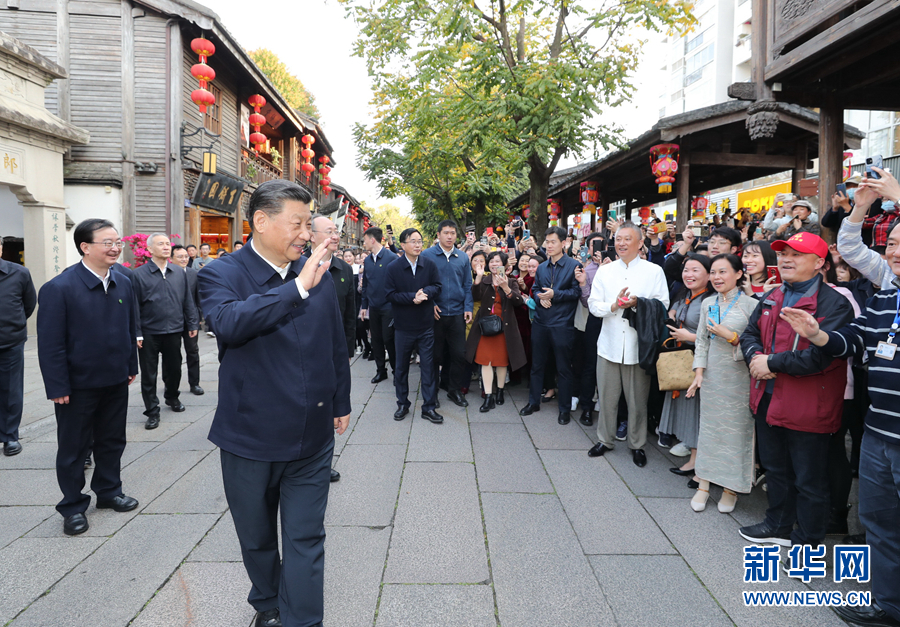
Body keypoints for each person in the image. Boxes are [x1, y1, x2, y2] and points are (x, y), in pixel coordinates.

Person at [197, 179, 350, 627]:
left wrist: (340, 399)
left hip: (312, 435)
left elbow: (334, 343)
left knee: (305, 536)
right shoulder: (221, 273)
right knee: (257, 536)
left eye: (309, 224)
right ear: (261, 221)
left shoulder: (316, 273)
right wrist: (297, 288)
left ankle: (303, 619)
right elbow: (228, 323)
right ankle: (267, 603)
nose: (307, 234)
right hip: (250, 436)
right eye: (298, 223)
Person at [778, 218, 900, 627]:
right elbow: (853, 339)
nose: (894, 253)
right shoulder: (885, 298)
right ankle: (888, 604)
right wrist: (817, 334)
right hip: (878, 431)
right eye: (891, 244)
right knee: (879, 523)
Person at [737, 232, 855, 548]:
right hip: (768, 399)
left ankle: (809, 540)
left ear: (819, 263)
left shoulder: (835, 303)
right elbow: (749, 333)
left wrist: (771, 363)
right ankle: (778, 525)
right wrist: (755, 358)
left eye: (797, 254)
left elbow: (823, 356)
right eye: (784, 253)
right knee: (776, 470)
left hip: (808, 404)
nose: (786, 259)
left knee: (809, 480)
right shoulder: (773, 296)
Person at [37, 219, 140, 535]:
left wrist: (130, 366)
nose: (114, 247)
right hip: (77, 385)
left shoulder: (123, 281)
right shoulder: (60, 288)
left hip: (114, 379)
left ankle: (109, 492)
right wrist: (57, 385)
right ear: (85, 246)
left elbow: (128, 327)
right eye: (106, 242)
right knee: (74, 448)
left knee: (112, 440)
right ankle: (72, 506)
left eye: (117, 241)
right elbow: (50, 342)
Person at [587, 222, 669, 467]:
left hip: (638, 347)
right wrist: (614, 306)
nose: (621, 243)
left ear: (640, 242)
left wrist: (637, 304)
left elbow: (662, 304)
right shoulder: (605, 271)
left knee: (637, 401)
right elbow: (593, 305)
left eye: (627, 239)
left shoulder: (653, 271)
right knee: (608, 398)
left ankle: (637, 444)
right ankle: (605, 439)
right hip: (609, 345)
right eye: (618, 239)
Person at [686, 254, 758, 513]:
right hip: (713, 376)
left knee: (737, 433)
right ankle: (703, 484)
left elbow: (757, 344)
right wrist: (699, 372)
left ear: (739, 274)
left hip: (739, 377)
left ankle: (731, 487)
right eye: (713, 272)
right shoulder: (708, 302)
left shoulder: (751, 305)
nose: (717, 277)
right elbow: (702, 340)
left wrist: (733, 338)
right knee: (709, 430)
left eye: (723, 272)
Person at [131, 233, 199, 430]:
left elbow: (188, 300)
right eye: (160, 244)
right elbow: (134, 307)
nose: (166, 247)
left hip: (174, 329)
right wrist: (137, 332)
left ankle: (172, 397)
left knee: (174, 369)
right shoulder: (139, 274)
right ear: (149, 249)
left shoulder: (178, 272)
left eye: (167, 243)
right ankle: (152, 411)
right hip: (149, 332)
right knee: (149, 374)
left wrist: (192, 324)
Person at [518, 226, 584, 424]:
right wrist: (540, 298)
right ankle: (533, 402)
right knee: (537, 365)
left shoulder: (574, 265)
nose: (548, 245)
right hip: (540, 322)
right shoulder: (543, 266)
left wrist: (555, 295)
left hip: (562, 324)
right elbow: (536, 289)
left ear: (564, 243)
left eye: (553, 241)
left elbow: (576, 293)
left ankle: (564, 409)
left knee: (564, 368)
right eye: (547, 242)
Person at [384, 228, 443, 424]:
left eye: (420, 241)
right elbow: (390, 294)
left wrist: (426, 292)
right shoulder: (393, 268)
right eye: (413, 241)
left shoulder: (429, 264)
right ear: (403, 245)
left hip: (426, 326)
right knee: (401, 368)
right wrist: (412, 298)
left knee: (428, 367)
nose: (418, 245)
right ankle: (402, 403)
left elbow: (437, 286)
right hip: (403, 327)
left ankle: (429, 406)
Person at [658, 254, 712, 469]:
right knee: (687, 410)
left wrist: (690, 337)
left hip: (701, 361)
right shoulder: (683, 296)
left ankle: (696, 461)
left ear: (709, 274)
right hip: (681, 360)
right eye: (686, 270)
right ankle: (692, 453)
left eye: (695, 270)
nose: (689, 274)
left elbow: (717, 335)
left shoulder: (711, 301)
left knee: (697, 410)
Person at [466, 251, 526, 412]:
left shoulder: (511, 281)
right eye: (491, 261)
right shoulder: (484, 280)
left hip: (504, 328)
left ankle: (500, 390)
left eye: (497, 261)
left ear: (504, 265)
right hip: (485, 328)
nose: (493, 264)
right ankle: (488, 396)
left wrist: (506, 287)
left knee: (501, 362)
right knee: (485, 361)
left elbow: (518, 301)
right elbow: (475, 297)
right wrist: (478, 278)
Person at [424, 220, 473, 408]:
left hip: (457, 313)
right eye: (446, 232)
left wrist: (468, 307)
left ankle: (454, 390)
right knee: (434, 356)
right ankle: (432, 393)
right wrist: (431, 303)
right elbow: (422, 283)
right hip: (436, 313)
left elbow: (467, 285)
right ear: (438, 235)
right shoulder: (427, 255)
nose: (450, 236)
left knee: (459, 354)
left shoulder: (462, 257)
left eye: (453, 233)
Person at [0, 236, 37, 456]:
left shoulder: (19, 273)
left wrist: (13, 324)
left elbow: (29, 304)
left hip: (10, 341)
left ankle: (9, 436)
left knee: (11, 390)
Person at [310, 215, 357, 361]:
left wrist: (349, 349)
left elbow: (350, 313)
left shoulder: (345, 269)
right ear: (312, 236)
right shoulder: (298, 266)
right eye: (329, 232)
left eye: (336, 232)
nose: (335, 237)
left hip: (337, 346)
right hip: (307, 347)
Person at [360, 227, 397, 384]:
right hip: (373, 307)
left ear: (372, 239)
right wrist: (364, 306)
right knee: (376, 340)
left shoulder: (392, 258)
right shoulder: (367, 260)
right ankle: (381, 370)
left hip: (389, 307)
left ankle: (397, 371)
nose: (364, 243)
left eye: (365, 240)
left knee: (389, 339)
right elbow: (366, 285)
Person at [171, 245, 204, 396]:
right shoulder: (167, 274)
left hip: (191, 320)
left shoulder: (193, 274)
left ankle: (194, 383)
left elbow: (198, 298)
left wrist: (198, 318)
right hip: (172, 321)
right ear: (171, 259)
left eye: (186, 256)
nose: (184, 259)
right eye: (180, 257)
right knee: (172, 354)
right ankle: (171, 385)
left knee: (193, 351)